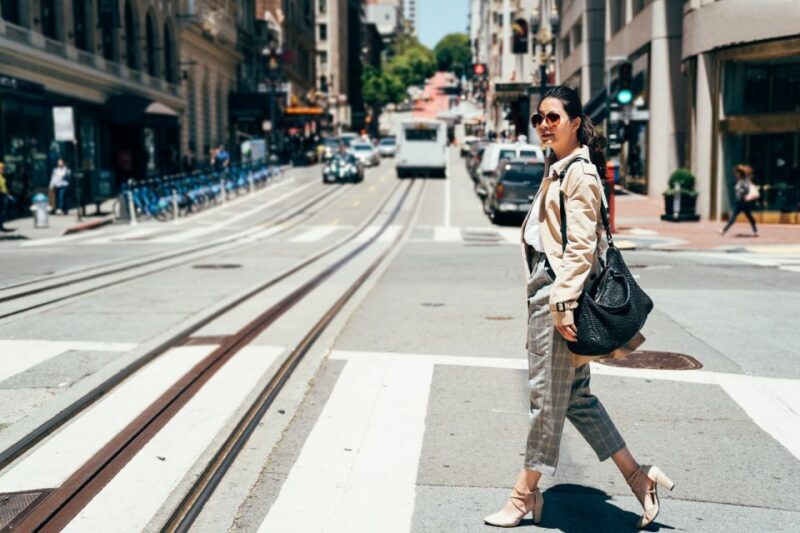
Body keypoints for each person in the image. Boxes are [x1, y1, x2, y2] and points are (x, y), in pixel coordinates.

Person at [484, 86, 674, 530]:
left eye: (553, 117)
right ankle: (639, 476)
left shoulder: (579, 174)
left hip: (557, 293)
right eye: (539, 118)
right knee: (575, 398)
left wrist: (563, 303)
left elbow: (582, 247)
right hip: (550, 288)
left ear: (574, 121)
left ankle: (523, 494)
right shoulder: (559, 167)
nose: (544, 125)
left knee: (545, 400)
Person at [719, 164, 758, 236]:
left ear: (740, 173)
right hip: (739, 201)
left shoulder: (745, 180)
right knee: (735, 216)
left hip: (743, 202)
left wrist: (742, 192)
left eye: (737, 173)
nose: (736, 175)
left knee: (748, 216)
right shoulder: (740, 181)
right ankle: (723, 230)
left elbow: (746, 189)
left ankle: (755, 231)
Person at [0, 161, 11, 232]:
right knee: (1, 212)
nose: (3, 170)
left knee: (2, 212)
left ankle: (1, 226)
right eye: (2, 168)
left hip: (3, 195)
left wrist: (7, 193)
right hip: (1, 195)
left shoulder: (1, 176)